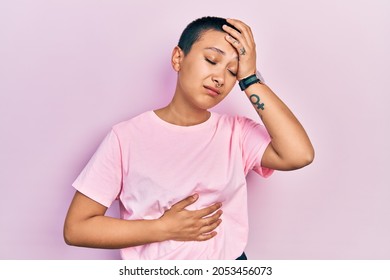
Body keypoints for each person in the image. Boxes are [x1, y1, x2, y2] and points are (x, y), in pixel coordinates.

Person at [63, 16, 314, 260]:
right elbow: (77, 228)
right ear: (178, 58)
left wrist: (249, 79)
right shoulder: (125, 137)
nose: (220, 78)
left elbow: (299, 154)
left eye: (233, 71)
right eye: (211, 60)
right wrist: (163, 228)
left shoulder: (236, 133)